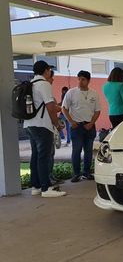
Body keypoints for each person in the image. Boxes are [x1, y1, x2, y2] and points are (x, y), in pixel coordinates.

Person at [23, 61, 66, 197]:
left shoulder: (31, 83)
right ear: (46, 71)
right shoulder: (44, 84)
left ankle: (35, 187)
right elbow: (51, 107)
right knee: (44, 157)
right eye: (49, 70)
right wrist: (57, 124)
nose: (49, 72)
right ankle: (46, 188)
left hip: (29, 124)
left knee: (35, 156)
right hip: (42, 125)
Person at [62, 70, 101, 182]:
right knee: (76, 150)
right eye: (78, 79)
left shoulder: (94, 93)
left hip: (90, 126)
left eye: (83, 79)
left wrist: (91, 123)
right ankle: (76, 174)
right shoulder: (71, 92)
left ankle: (87, 172)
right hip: (76, 126)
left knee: (88, 151)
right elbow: (64, 108)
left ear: (88, 81)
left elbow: (97, 111)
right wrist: (71, 122)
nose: (80, 81)